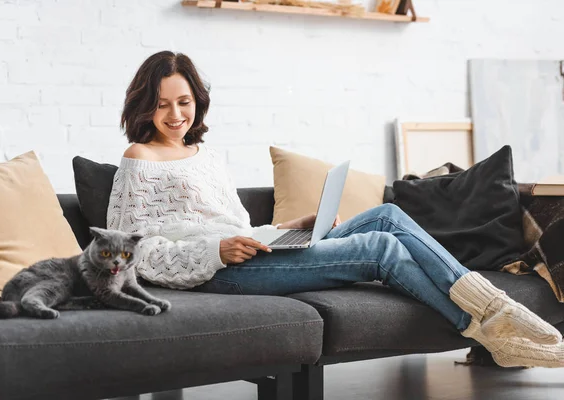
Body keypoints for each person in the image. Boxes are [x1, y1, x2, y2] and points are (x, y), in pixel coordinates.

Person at [107, 51, 564, 368]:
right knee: (380, 248)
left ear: (197, 102)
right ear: (145, 106)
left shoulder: (204, 155)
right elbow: (133, 254)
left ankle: (494, 312)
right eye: (163, 104)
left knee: (388, 217)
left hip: (250, 253)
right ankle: (490, 328)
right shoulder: (138, 159)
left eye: (183, 102)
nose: (175, 115)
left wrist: (290, 227)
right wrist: (216, 252)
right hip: (217, 274)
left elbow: (239, 227)